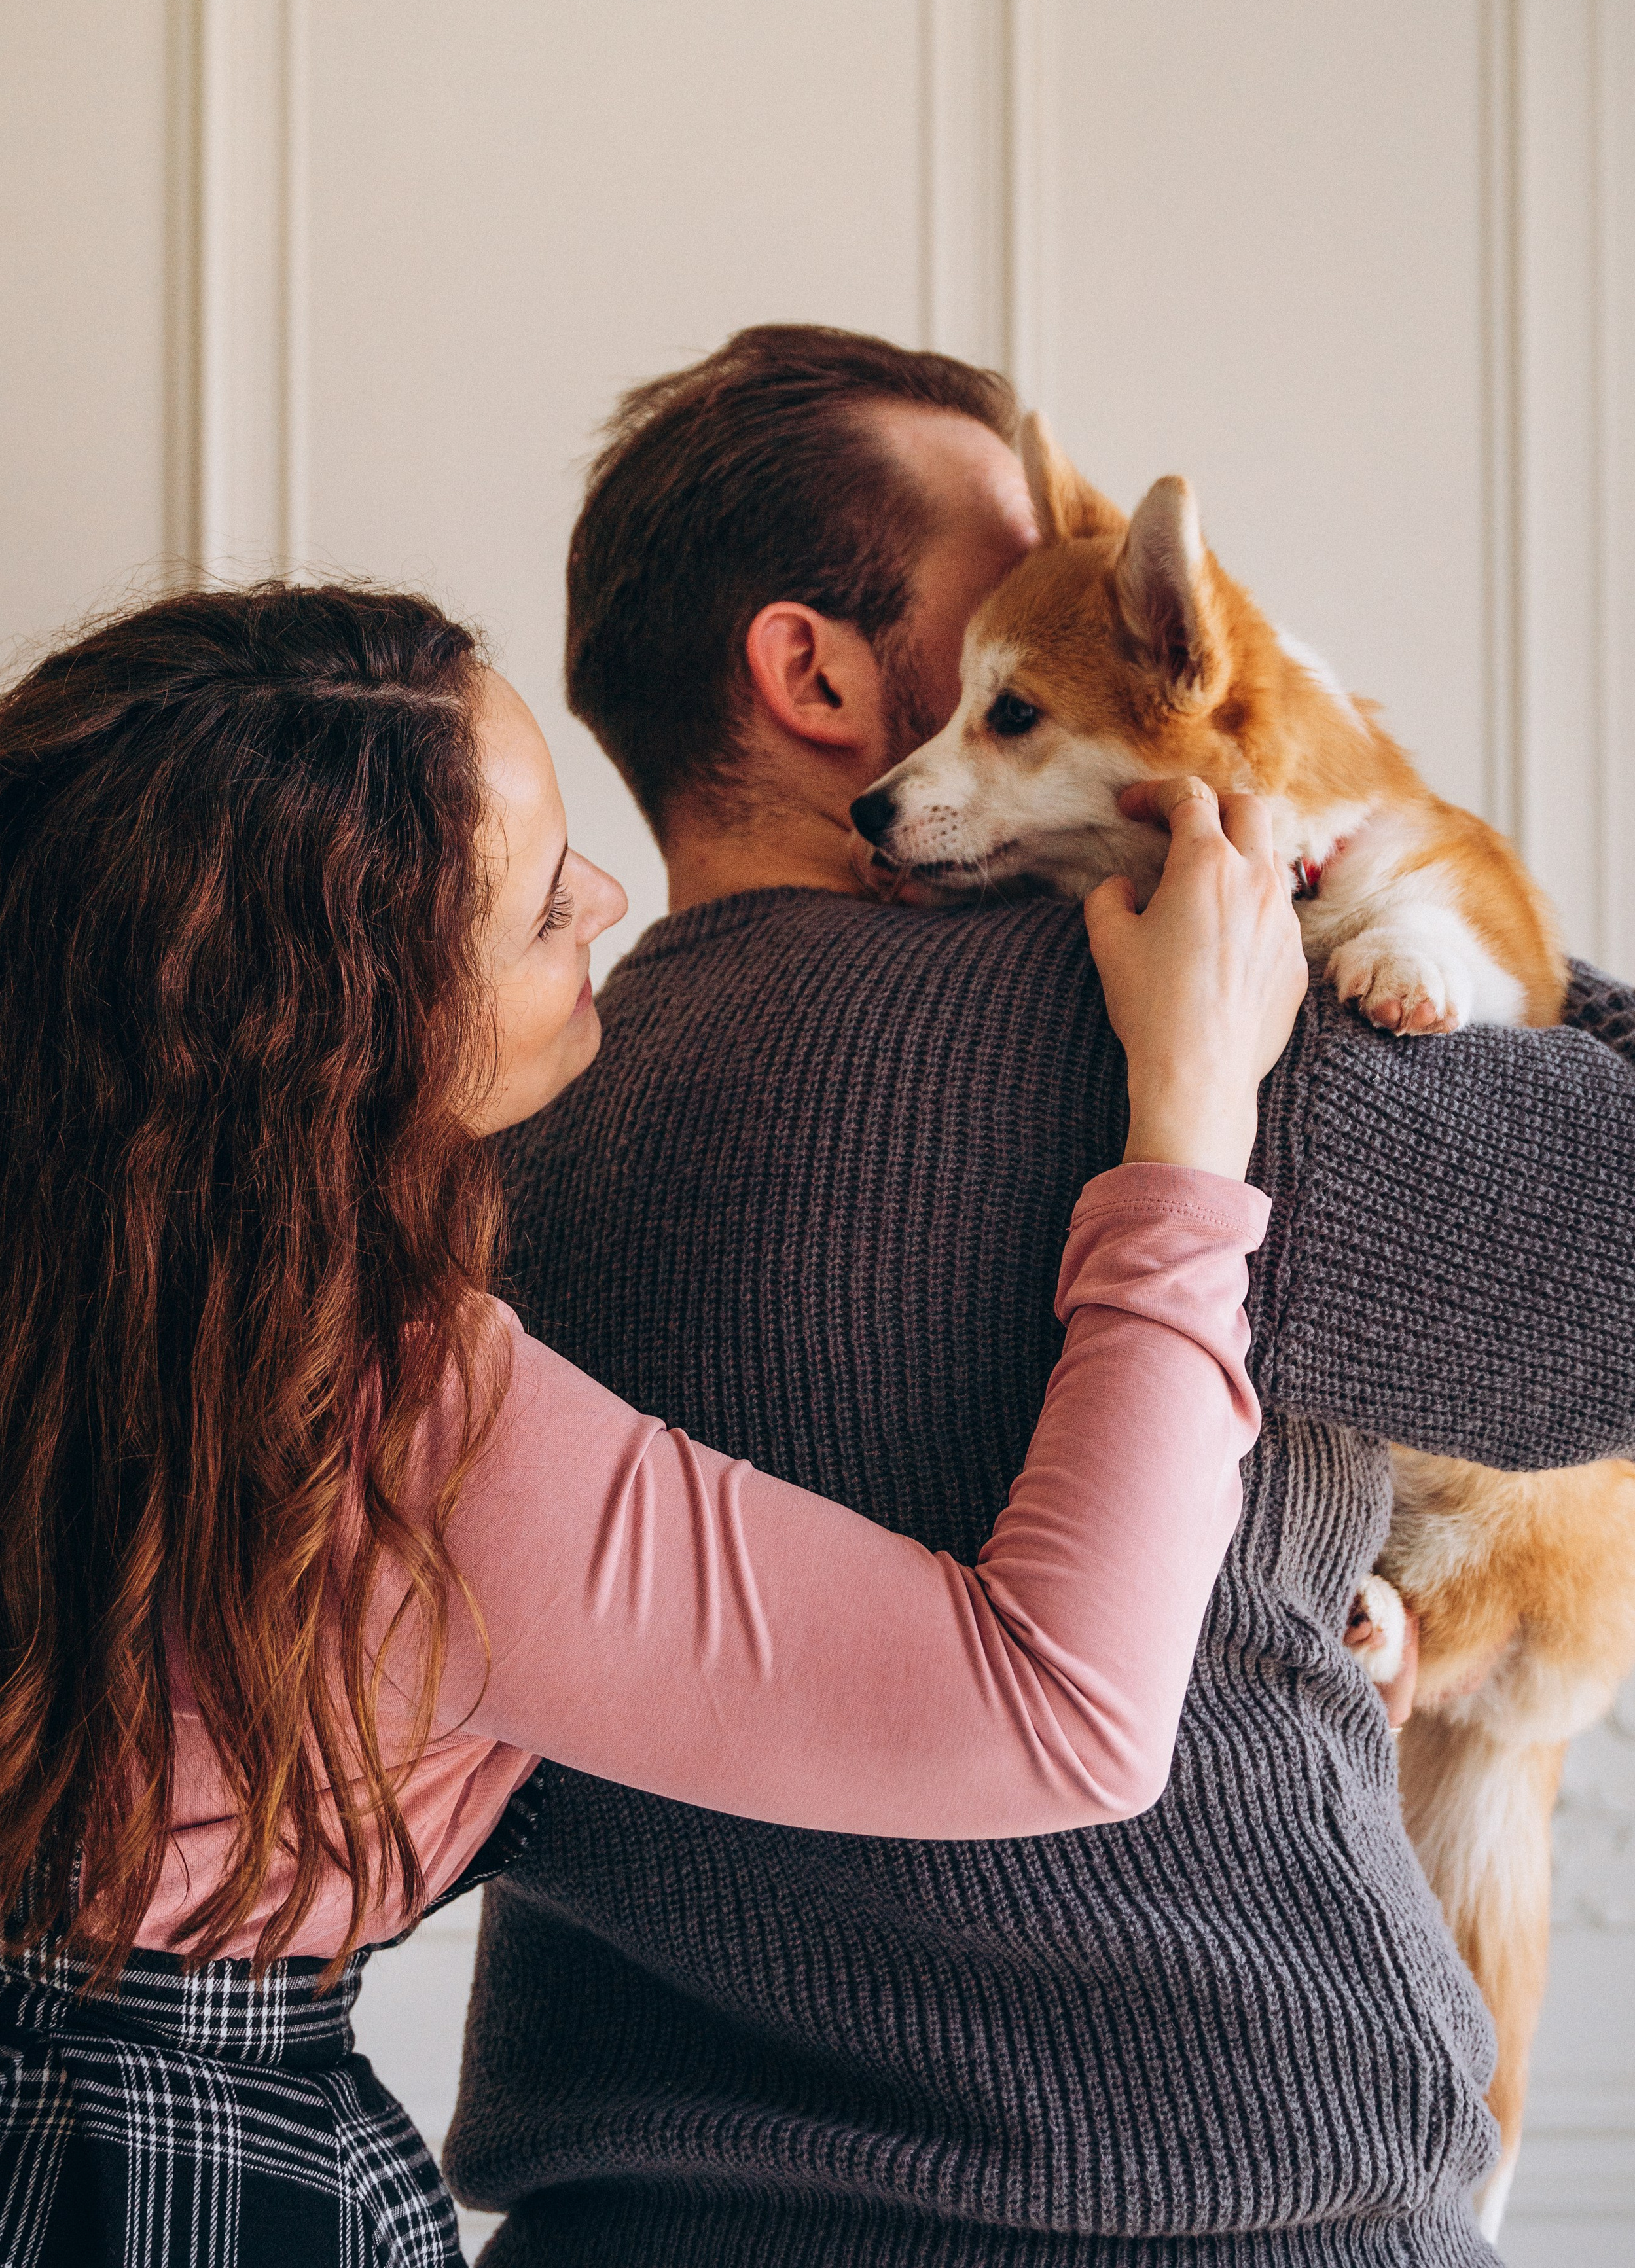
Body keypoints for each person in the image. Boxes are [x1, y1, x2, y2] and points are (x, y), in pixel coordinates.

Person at [447, 325, 1635, 2268]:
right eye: (1009, 572)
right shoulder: (1168, 1030)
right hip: (1225, 2215)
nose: (1071, 588)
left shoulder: (486, 1141)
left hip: (627, 2213)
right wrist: (1345, 813)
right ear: (815, 674)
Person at [0, 583, 1306, 2268]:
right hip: (162, 2191)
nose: (604, 898)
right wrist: (1189, 1118)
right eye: (535, 912)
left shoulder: (53, 1274)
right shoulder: (391, 1430)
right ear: (349, 1042)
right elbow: (1058, 1712)